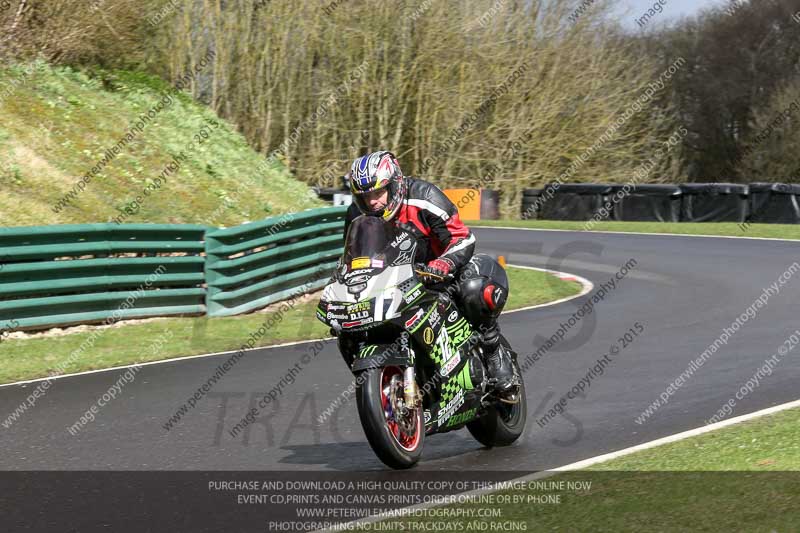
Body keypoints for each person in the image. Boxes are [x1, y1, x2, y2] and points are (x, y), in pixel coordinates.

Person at [341, 150, 516, 394]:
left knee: (474, 288)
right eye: (364, 196)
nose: (371, 202)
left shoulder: (424, 197)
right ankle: (383, 379)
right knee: (347, 326)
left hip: (441, 275)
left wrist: (444, 263)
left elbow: (462, 238)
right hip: (394, 283)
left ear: (394, 185)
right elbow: (353, 258)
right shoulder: (356, 215)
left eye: (378, 193)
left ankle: (493, 352)